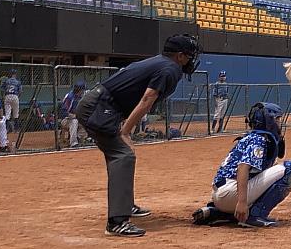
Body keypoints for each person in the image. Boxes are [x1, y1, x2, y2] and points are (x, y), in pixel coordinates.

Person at [75, 34, 201, 238]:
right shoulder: (169, 69)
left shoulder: (162, 63)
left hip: (104, 107)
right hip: (99, 107)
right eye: (188, 56)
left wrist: (125, 128)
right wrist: (125, 132)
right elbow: (147, 99)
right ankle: (117, 222)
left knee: (119, 155)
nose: (190, 60)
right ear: (179, 56)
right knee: (123, 155)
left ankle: (124, 205)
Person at [192, 102, 291, 228]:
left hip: (222, 195)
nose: (279, 123)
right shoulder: (259, 139)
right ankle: (255, 216)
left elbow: (270, 172)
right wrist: (242, 202)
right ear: (267, 121)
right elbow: (243, 168)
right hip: (231, 193)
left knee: (289, 169)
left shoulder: (253, 137)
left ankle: (219, 213)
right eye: (277, 119)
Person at [59, 82, 86, 148]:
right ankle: (74, 143)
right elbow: (63, 112)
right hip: (65, 119)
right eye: (83, 90)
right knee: (74, 122)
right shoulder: (70, 97)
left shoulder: (81, 97)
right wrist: (73, 116)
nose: (83, 91)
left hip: (77, 118)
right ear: (79, 90)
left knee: (88, 120)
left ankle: (79, 137)